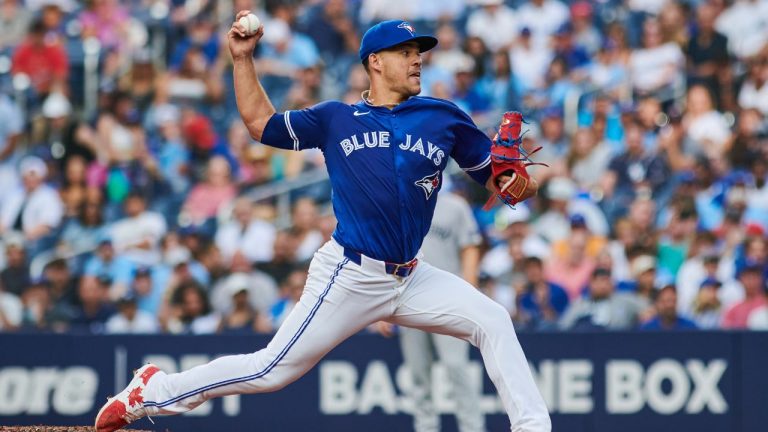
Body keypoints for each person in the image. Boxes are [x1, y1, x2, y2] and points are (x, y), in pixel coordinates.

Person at [95, 16, 550, 432]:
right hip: (350, 274)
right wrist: (242, 59)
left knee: (492, 320)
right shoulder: (336, 118)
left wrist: (516, 180)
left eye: (419, 52)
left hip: (413, 275)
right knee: (269, 371)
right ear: (376, 61)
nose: (417, 60)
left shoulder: (443, 117)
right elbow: (260, 124)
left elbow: (505, 183)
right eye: (406, 52)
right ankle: (152, 391)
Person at [376, 190, 486, 432]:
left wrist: (469, 295)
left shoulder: (454, 205)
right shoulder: (400, 202)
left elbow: (470, 248)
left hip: (448, 300)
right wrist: (383, 306)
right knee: (417, 374)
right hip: (408, 300)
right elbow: (387, 256)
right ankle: (426, 428)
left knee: (456, 367)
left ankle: (473, 428)